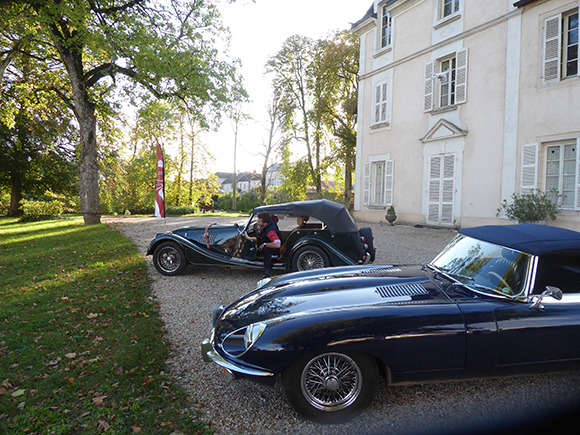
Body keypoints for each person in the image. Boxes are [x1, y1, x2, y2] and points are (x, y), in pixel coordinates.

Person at [256, 211, 281, 278]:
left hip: (275, 248)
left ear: (265, 223)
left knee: (265, 249)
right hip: (269, 240)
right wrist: (259, 228)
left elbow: (278, 244)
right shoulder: (271, 219)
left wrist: (265, 244)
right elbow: (276, 218)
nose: (258, 222)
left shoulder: (271, 232)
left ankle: (268, 272)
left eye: (260, 222)